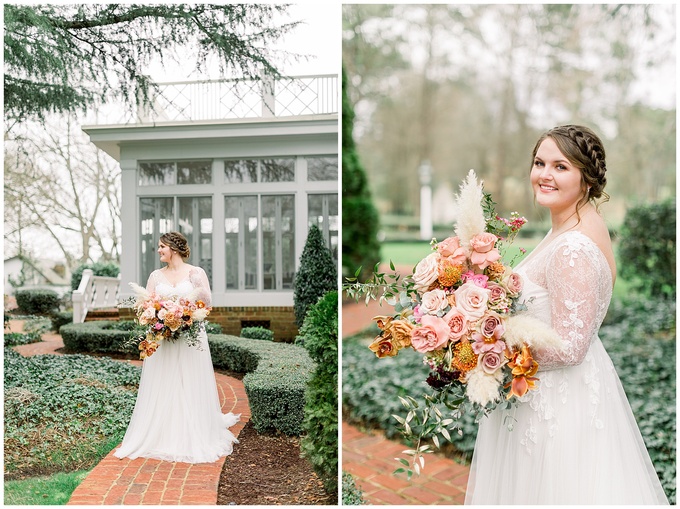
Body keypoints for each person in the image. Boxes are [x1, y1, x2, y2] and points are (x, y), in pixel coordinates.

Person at [465, 125, 669, 504]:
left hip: (556, 407)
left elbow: (570, 347)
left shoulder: (572, 247)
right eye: (540, 162)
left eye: (561, 167)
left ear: (586, 178)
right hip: (547, 393)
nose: (544, 174)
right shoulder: (571, 227)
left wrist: (488, 356)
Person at [114, 231, 239, 463]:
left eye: (162, 246)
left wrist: (185, 316)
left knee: (189, 381)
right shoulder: (155, 276)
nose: (159, 250)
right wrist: (158, 318)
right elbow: (145, 306)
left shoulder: (195, 273)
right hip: (163, 340)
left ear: (173, 248)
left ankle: (193, 429)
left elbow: (207, 303)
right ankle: (163, 431)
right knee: (164, 381)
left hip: (189, 337)